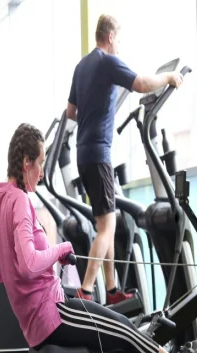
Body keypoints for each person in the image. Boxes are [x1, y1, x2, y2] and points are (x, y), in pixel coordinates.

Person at [0, 123, 197, 353]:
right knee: (124, 330)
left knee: (119, 326)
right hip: (51, 315)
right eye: (41, 163)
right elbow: (28, 265)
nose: (41, 174)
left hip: (39, 317)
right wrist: (61, 249)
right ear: (26, 162)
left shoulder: (0, 203)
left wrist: (13, 253)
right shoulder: (20, 201)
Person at [67, 14, 184, 304]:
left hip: (84, 154)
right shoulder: (107, 62)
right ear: (110, 37)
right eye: (118, 39)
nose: (118, 45)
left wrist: (92, 114)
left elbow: (71, 112)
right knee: (107, 226)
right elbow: (142, 84)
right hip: (98, 154)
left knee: (107, 222)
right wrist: (169, 77)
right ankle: (86, 290)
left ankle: (110, 290)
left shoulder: (81, 66)